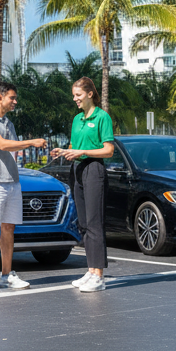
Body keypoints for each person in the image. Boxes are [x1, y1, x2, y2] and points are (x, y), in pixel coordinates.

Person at [0, 82, 48, 293]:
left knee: (9, 228)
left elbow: (14, 151)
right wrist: (32, 142)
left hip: (12, 181)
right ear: (0, 97)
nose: (15, 102)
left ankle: (7, 275)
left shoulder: (9, 123)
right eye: (12, 98)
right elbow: (3, 145)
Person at [51, 76, 115, 291]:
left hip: (94, 169)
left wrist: (83, 152)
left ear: (89, 94)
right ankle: (91, 271)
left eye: (78, 95)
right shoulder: (77, 119)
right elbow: (74, 146)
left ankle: (99, 275)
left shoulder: (102, 117)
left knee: (95, 223)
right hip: (77, 169)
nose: (75, 99)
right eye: (73, 96)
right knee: (85, 224)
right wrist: (64, 151)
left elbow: (108, 150)